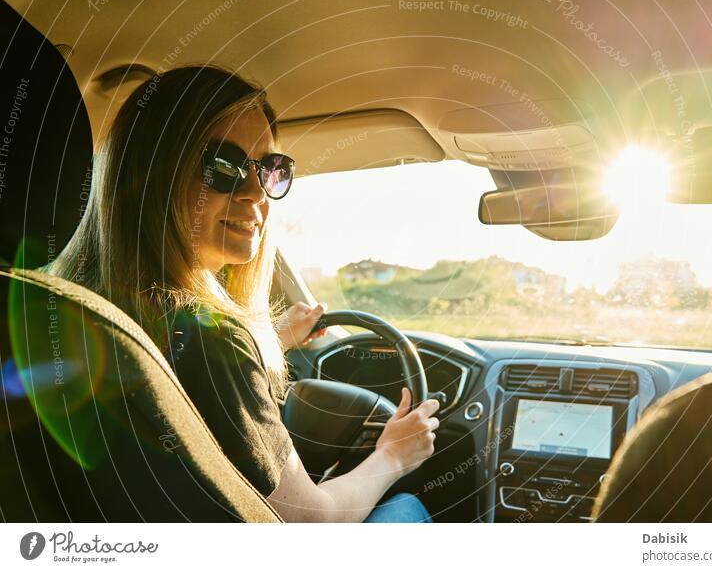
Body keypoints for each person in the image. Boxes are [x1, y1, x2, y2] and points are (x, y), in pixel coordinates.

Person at [46, 65, 439, 522]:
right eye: (224, 166)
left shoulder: (69, 309)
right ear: (152, 175)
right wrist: (393, 454)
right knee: (407, 507)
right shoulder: (213, 343)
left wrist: (271, 339)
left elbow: (170, 381)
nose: (256, 193)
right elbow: (309, 524)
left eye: (271, 169)